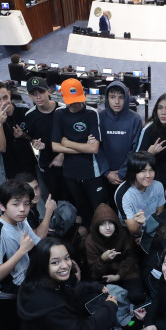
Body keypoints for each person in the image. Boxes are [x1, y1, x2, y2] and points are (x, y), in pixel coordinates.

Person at [17, 238, 121, 330]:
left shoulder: (35, 283)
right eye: (55, 262)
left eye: (66, 258)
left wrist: (94, 287)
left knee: (91, 301)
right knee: (107, 324)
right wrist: (110, 307)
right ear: (42, 264)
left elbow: (69, 293)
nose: (65, 265)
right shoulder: (49, 306)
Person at [52, 78, 106, 222]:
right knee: (81, 211)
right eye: (71, 100)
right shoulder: (59, 113)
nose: (75, 103)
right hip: (70, 172)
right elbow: (55, 146)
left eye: (78, 99)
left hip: (91, 171)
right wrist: (83, 148)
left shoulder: (92, 113)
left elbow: (94, 149)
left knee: (99, 210)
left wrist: (68, 142)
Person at [0, 180, 42, 294]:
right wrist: (22, 250)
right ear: (2, 206)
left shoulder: (21, 222)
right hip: (11, 286)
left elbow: (39, 244)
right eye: (16, 204)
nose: (22, 209)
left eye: (26, 204)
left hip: (26, 273)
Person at [83, 203, 145, 304]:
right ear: (96, 225)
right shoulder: (91, 241)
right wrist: (103, 259)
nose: (108, 227)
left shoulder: (123, 234)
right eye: (103, 224)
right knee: (97, 301)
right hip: (104, 275)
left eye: (110, 223)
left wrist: (119, 275)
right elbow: (94, 270)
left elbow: (131, 258)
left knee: (137, 297)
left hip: (126, 271)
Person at [22, 76, 66, 202]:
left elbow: (74, 137)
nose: (38, 97)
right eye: (34, 94)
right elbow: (33, 137)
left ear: (48, 91)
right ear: (29, 96)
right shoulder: (29, 116)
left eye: (41, 92)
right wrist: (34, 143)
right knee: (55, 199)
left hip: (68, 161)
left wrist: (62, 155)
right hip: (47, 165)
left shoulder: (63, 110)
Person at [0, 80, 37, 180]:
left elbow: (34, 138)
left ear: (9, 94)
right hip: (10, 168)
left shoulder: (23, 109)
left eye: (5, 97)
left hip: (29, 162)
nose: (3, 103)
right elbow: (2, 148)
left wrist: (24, 135)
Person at [98, 81, 142, 189]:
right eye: (112, 97)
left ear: (127, 98)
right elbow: (97, 148)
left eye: (121, 97)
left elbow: (136, 149)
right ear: (107, 98)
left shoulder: (135, 119)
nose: (117, 102)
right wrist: (107, 172)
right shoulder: (99, 117)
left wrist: (122, 173)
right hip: (104, 173)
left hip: (127, 174)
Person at [137, 93, 166, 202]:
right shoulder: (149, 129)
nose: (163, 112)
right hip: (149, 181)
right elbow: (136, 160)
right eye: (160, 108)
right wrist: (149, 153)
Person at [117, 151, 166, 238]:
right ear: (133, 172)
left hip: (152, 228)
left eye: (151, 170)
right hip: (132, 231)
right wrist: (139, 225)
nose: (148, 175)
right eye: (143, 171)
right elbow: (132, 230)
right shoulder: (123, 194)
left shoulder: (158, 186)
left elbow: (159, 213)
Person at [11, 172, 57, 239]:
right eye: (29, 190)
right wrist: (48, 212)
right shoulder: (22, 211)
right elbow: (37, 237)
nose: (35, 194)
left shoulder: (31, 205)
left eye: (36, 188)